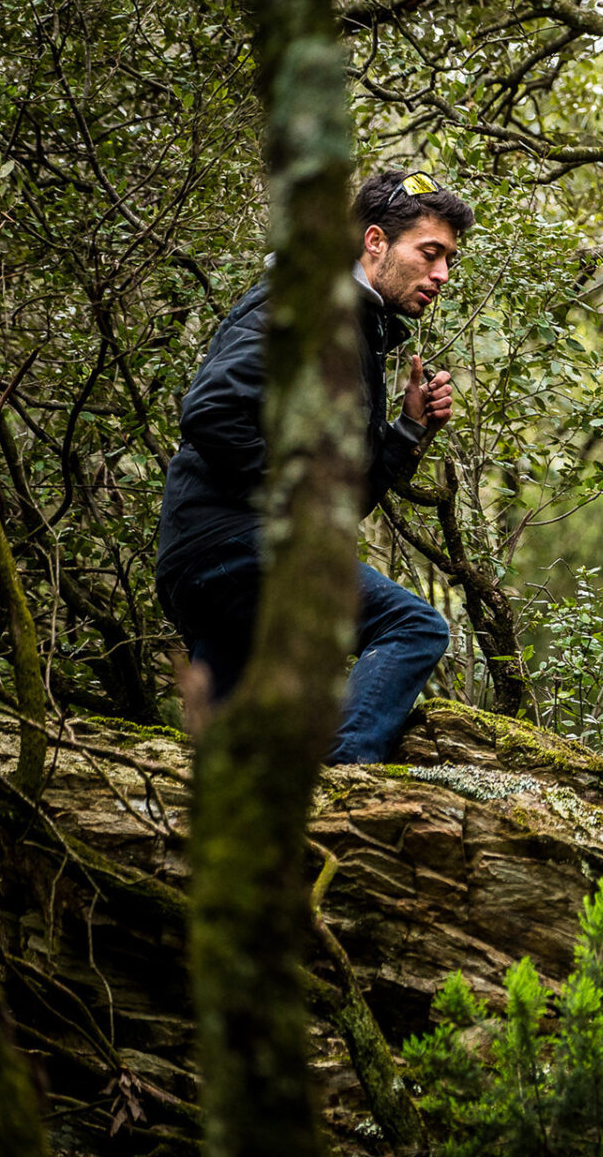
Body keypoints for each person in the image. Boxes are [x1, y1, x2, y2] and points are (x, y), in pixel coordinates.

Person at [156, 170, 475, 762]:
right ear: (375, 241)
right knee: (413, 628)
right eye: (430, 253)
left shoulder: (352, 325)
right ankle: (346, 779)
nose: (442, 275)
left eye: (448, 260)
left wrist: (407, 429)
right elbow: (211, 411)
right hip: (235, 547)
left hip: (211, 563)